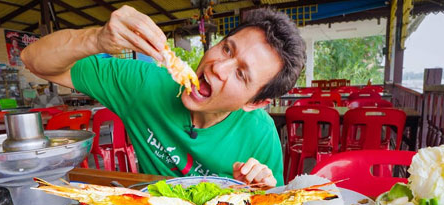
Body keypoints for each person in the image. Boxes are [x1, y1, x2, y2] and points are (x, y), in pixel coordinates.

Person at [21, 6, 305, 187]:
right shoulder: (143, 83)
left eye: (241, 74)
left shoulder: (260, 134)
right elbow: (33, 60)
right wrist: (95, 40)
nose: (218, 67)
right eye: (227, 49)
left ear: (254, 103)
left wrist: (259, 192)